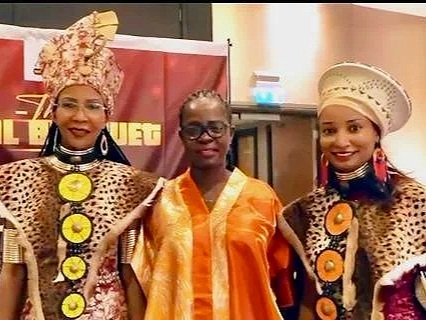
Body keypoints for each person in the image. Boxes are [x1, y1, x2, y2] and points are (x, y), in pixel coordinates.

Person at [0, 11, 164, 319]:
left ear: (106, 116)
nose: (80, 117)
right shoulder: (13, 181)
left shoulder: (132, 186)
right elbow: (12, 274)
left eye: (92, 106)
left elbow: (131, 275)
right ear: (53, 111)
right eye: (69, 105)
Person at [278, 61, 426, 319]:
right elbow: (307, 301)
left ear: (376, 134)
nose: (340, 141)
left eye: (354, 128)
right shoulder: (304, 213)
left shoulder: (416, 203)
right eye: (329, 131)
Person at [131, 89, 295, 320]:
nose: (206, 137)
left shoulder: (263, 199)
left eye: (216, 128)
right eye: (194, 129)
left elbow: (283, 286)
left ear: (231, 133)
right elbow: (141, 279)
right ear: (181, 136)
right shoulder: (160, 202)